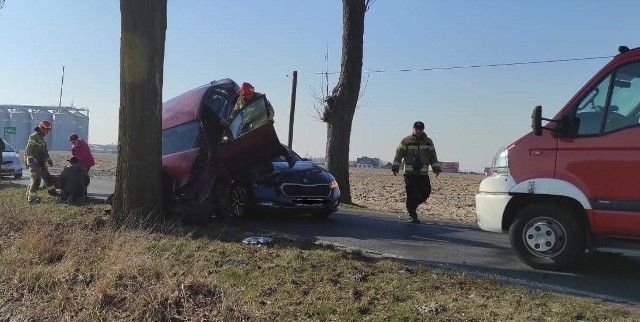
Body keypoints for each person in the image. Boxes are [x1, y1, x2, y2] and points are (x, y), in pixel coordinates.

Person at [222, 82, 295, 168]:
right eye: (246, 97)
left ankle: (289, 159)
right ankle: (266, 168)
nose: (248, 99)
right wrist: (228, 120)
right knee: (257, 150)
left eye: (249, 96)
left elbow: (270, 109)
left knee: (273, 143)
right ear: (241, 95)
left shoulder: (259, 97)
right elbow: (234, 113)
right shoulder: (239, 101)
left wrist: (270, 118)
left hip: (263, 125)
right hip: (249, 129)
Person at [392, 121, 442, 223]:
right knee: (411, 194)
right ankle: (412, 215)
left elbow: (433, 155)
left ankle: (411, 205)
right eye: (416, 129)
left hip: (423, 174)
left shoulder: (428, 142)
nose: (418, 131)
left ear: (423, 129)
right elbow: (399, 155)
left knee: (426, 192)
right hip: (410, 174)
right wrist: (395, 167)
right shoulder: (406, 141)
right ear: (413, 129)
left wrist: (436, 168)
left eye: (420, 129)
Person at [24, 120, 56, 203]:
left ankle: (52, 192)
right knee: (36, 180)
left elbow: (45, 151)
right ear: (42, 128)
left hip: (41, 162)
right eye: (46, 130)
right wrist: (30, 160)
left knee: (47, 177)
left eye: (48, 130)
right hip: (34, 162)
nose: (47, 132)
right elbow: (28, 150)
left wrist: (49, 160)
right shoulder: (33, 137)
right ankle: (31, 199)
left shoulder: (42, 138)